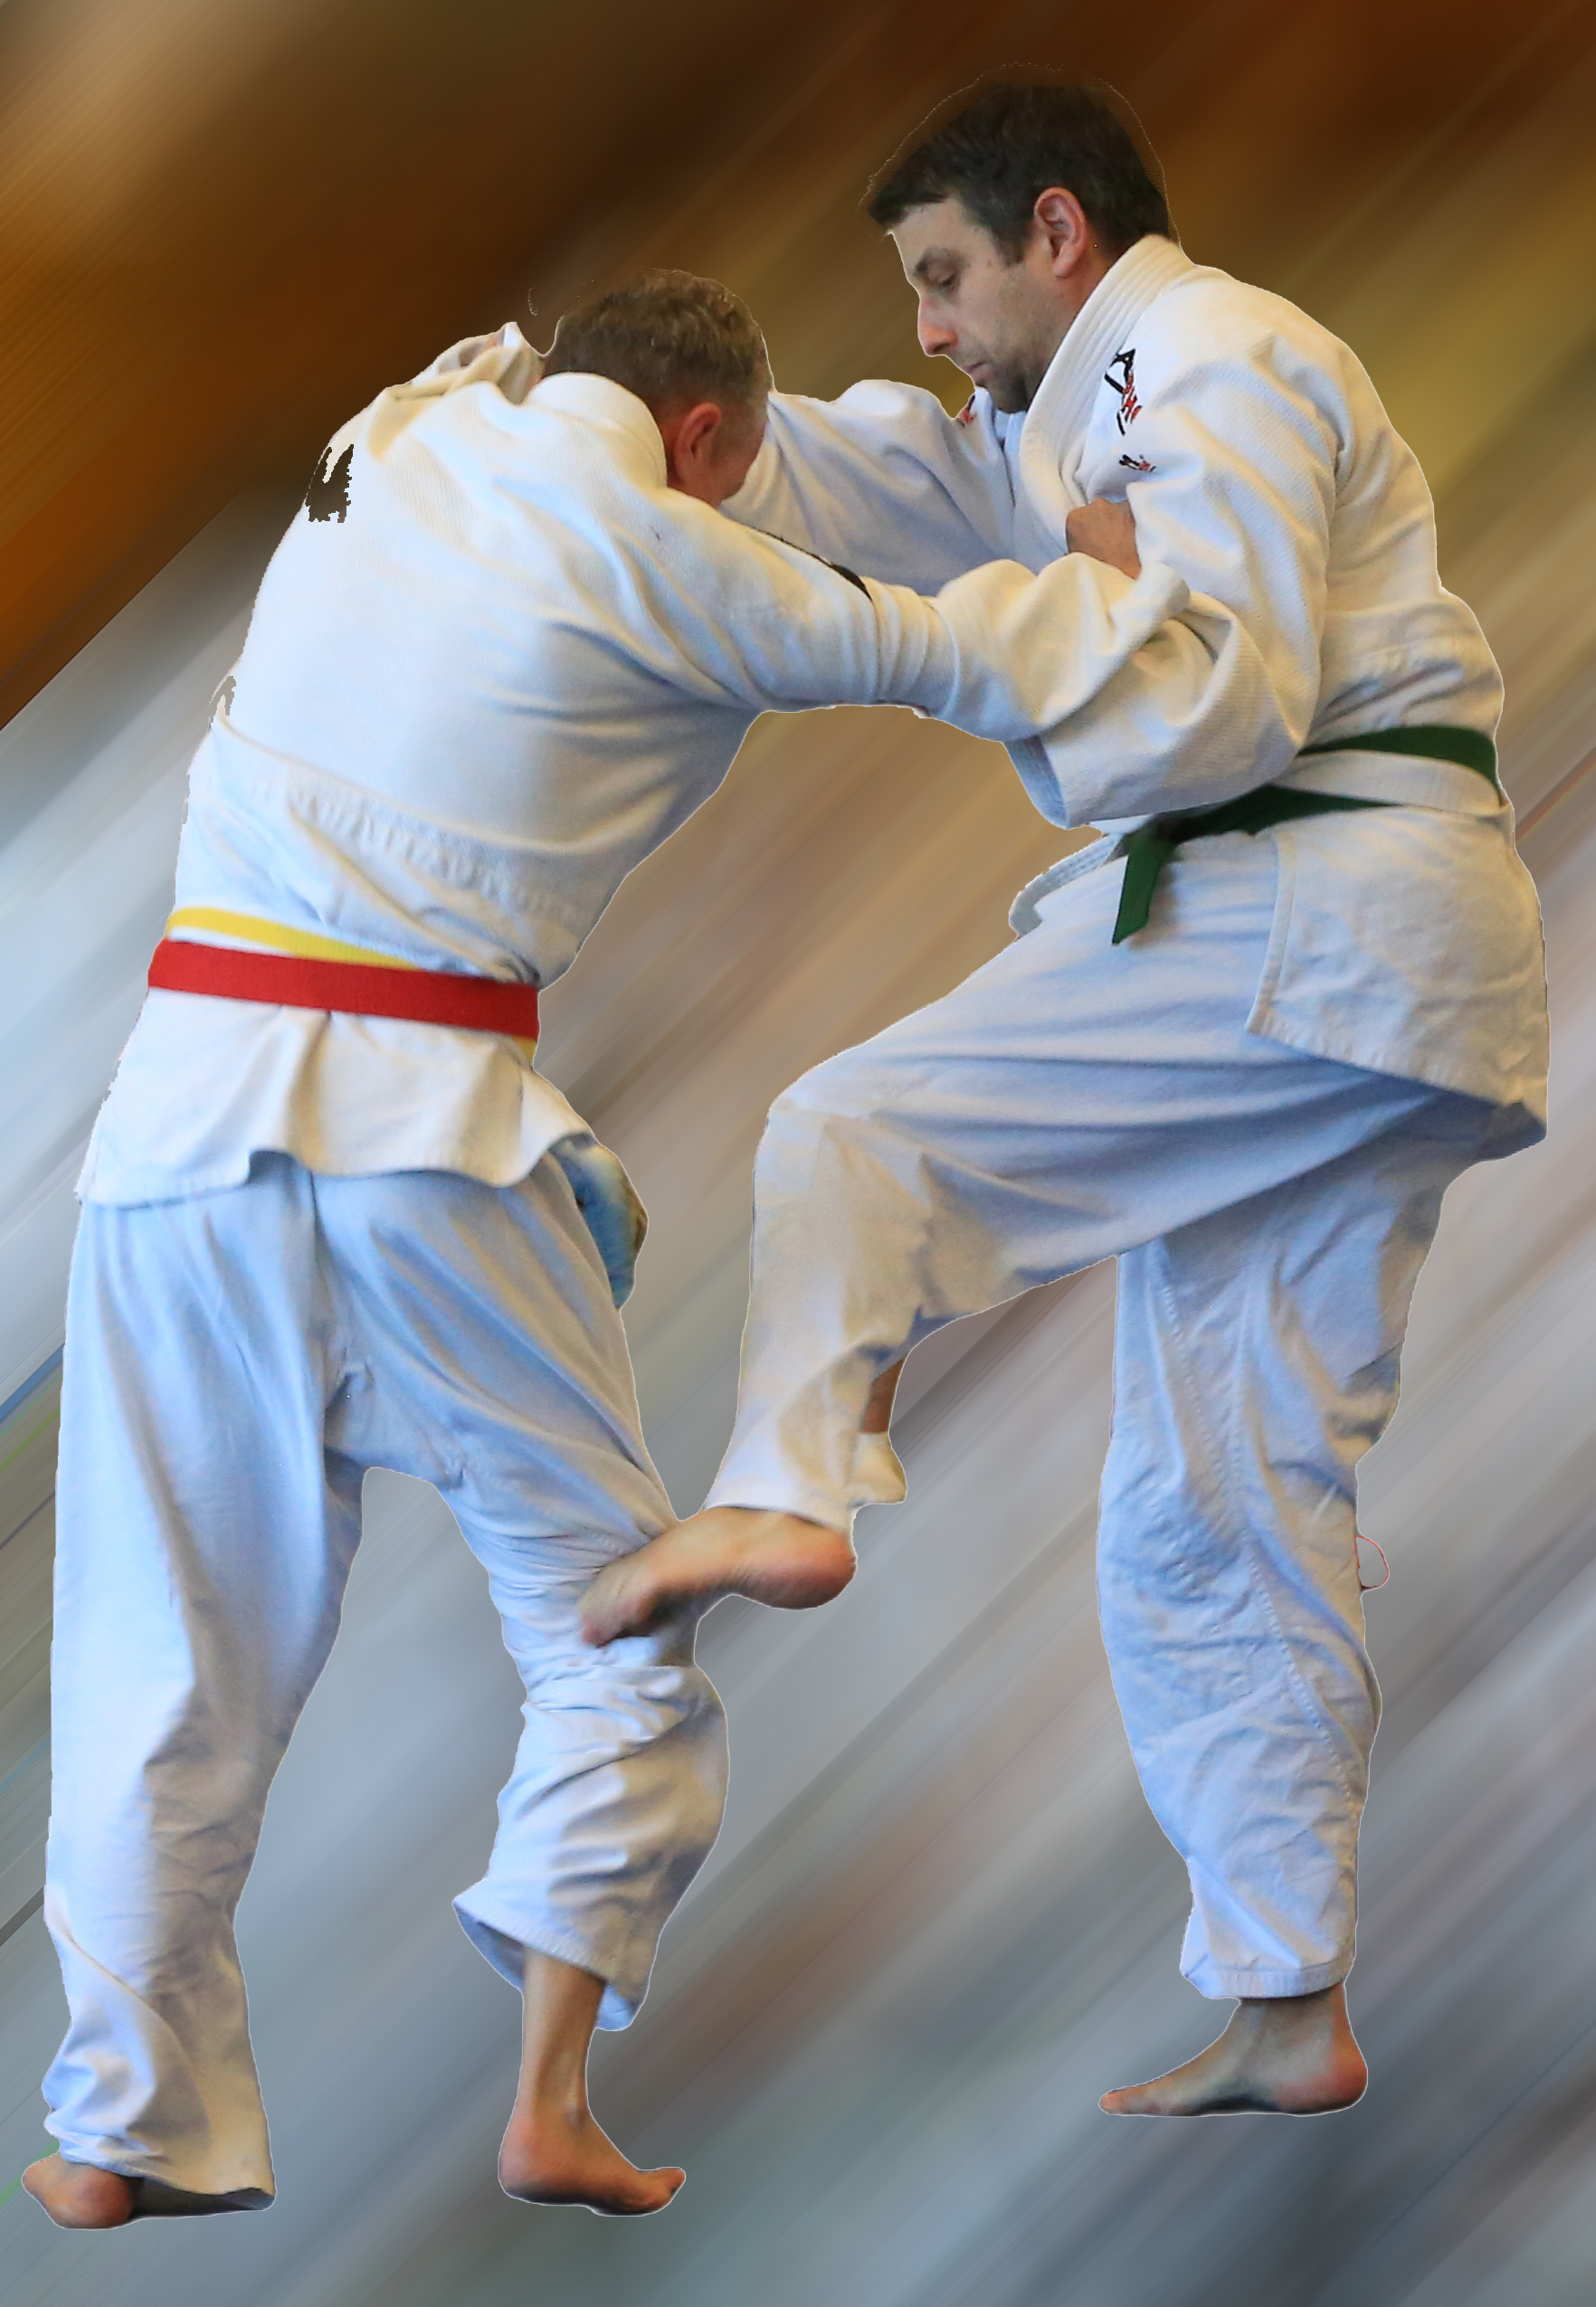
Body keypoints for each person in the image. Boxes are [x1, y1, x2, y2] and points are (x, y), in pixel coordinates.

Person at [24, 265, 1263, 2229]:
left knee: (150, 1647)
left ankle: (121, 2124)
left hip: (176, 1123)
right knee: (604, 1621)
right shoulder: (672, 557)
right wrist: (1120, 562)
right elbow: (959, 651)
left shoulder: (399, 433)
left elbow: (545, 370)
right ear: (703, 443)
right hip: (422, 1138)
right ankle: (549, 2099)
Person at [578, 83, 1551, 2119]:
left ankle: (788, 1481)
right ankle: (1289, 2001)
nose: (932, 325)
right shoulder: (1078, 419)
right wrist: (636, 431)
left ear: (1056, 231)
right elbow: (897, 477)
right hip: (1354, 970)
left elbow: (1223, 696)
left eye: (945, 277)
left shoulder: (1215, 352)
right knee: (1217, 1502)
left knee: (854, 1131)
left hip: (1307, 917)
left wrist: (1017, 625)